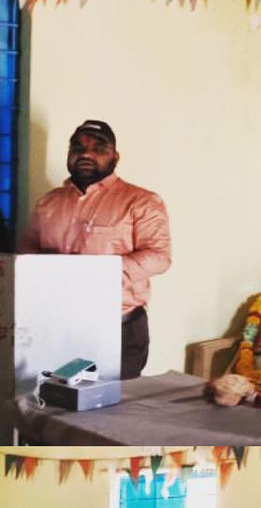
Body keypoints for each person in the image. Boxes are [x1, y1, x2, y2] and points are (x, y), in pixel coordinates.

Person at [19, 119, 171, 379]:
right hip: (56, 325)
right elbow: (26, 254)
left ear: (115, 156)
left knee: (112, 413)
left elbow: (159, 257)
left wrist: (93, 271)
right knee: (55, 404)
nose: (86, 154)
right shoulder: (48, 203)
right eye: (77, 148)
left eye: (98, 148)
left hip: (117, 327)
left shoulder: (142, 201)